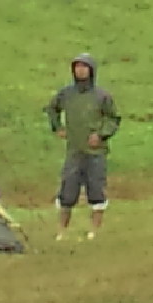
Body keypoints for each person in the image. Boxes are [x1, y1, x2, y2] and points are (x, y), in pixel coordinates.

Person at [45, 53, 121, 241]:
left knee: (96, 189)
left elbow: (113, 118)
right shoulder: (66, 93)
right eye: (77, 66)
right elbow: (52, 108)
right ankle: (62, 231)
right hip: (74, 151)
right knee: (67, 190)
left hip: (95, 152)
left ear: (91, 70)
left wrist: (102, 134)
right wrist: (57, 127)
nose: (80, 70)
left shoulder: (102, 96)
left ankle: (94, 231)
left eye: (84, 67)